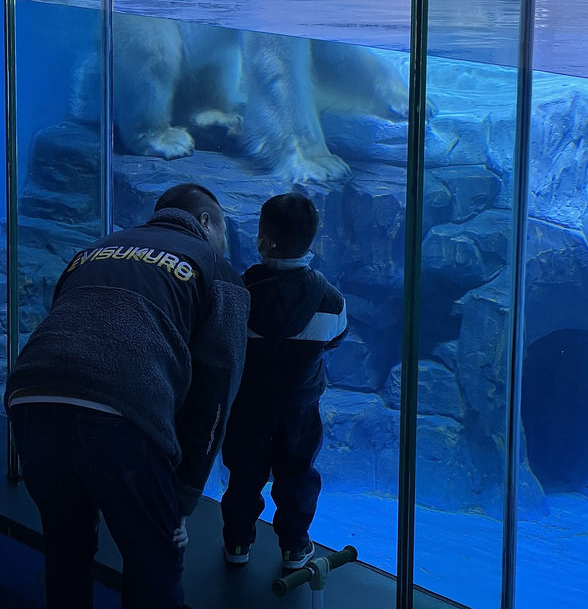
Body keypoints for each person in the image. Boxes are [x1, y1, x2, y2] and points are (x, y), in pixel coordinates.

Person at [4, 183, 250, 609]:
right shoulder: (215, 267)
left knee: (67, 546)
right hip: (120, 414)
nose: (226, 244)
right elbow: (217, 388)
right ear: (206, 222)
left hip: (29, 399)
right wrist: (185, 494)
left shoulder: (95, 249)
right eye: (225, 231)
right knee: (155, 560)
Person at [220, 192, 347, 570]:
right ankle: (294, 547)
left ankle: (237, 544)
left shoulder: (239, 294)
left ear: (261, 239)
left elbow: (224, 341)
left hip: (247, 407)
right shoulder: (330, 300)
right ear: (313, 241)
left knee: (244, 475)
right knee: (297, 475)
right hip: (299, 409)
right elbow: (335, 340)